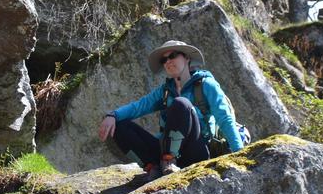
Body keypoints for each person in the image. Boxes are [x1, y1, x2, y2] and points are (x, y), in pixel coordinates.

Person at [97, 39, 246, 178]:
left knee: (181, 104)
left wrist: (240, 153)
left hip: (196, 151)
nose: (168, 61)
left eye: (172, 56)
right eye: (164, 60)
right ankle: (153, 168)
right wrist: (113, 115)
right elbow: (138, 107)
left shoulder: (206, 84)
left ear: (187, 58)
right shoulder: (165, 91)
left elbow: (225, 118)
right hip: (164, 152)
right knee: (119, 126)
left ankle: (169, 161)